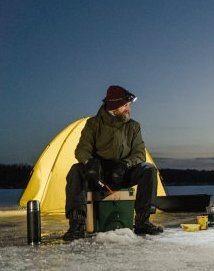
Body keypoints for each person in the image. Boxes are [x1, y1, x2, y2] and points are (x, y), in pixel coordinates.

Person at [63, 85, 163, 241]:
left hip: (123, 172)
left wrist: (125, 164)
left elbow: (139, 153)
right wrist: (90, 163)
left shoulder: (133, 126)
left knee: (148, 169)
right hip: (99, 175)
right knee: (76, 170)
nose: (129, 108)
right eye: (125, 105)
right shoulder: (93, 124)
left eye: (129, 105)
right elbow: (82, 149)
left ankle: (143, 222)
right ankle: (77, 224)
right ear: (114, 106)